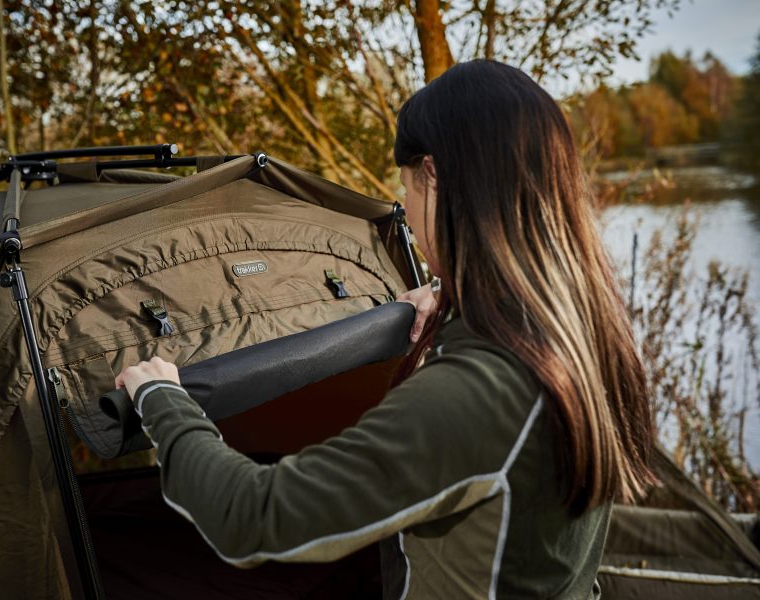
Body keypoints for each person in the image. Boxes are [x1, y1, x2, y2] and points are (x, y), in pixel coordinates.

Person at [116, 60, 654, 599]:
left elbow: (250, 517)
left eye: (408, 191)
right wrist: (454, 299)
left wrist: (164, 398)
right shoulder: (584, 328)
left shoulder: (480, 390)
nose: (413, 223)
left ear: (436, 177)